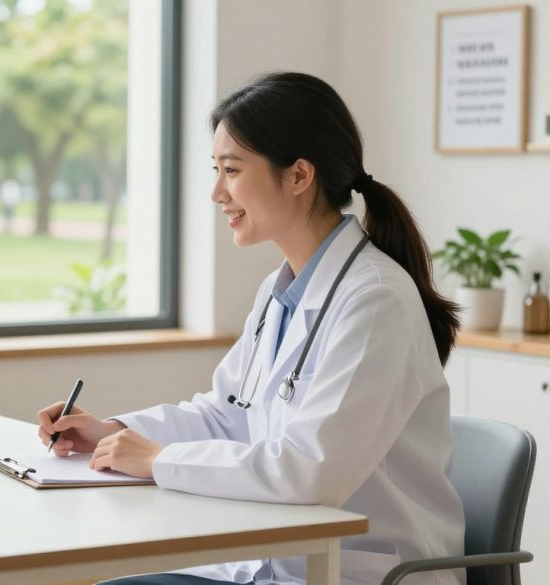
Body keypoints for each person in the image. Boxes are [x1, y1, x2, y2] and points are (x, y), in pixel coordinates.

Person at [37, 72, 465, 585]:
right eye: (215, 170)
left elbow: (312, 470)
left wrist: (159, 460)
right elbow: (225, 415)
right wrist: (118, 432)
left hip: (357, 571)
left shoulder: (375, 300)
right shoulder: (279, 292)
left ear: (299, 175)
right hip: (277, 560)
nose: (217, 192)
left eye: (232, 170)